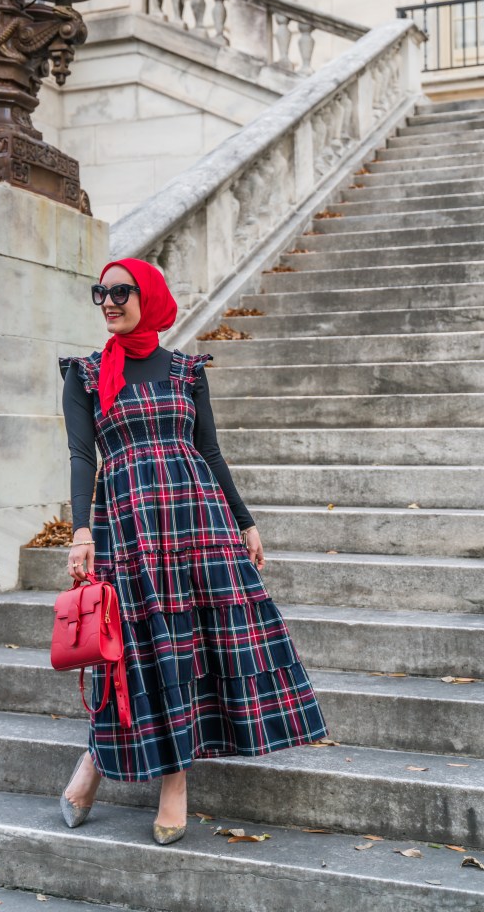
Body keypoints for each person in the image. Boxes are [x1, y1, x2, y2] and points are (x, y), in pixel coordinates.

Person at [58, 257, 327, 845]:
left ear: (148, 295)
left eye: (121, 291)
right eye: (99, 292)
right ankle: (95, 761)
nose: (108, 301)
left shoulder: (185, 371)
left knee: (187, 649)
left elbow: (209, 450)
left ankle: (174, 785)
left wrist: (245, 520)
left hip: (197, 524)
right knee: (131, 654)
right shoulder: (83, 375)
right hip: (130, 530)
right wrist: (83, 531)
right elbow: (84, 459)